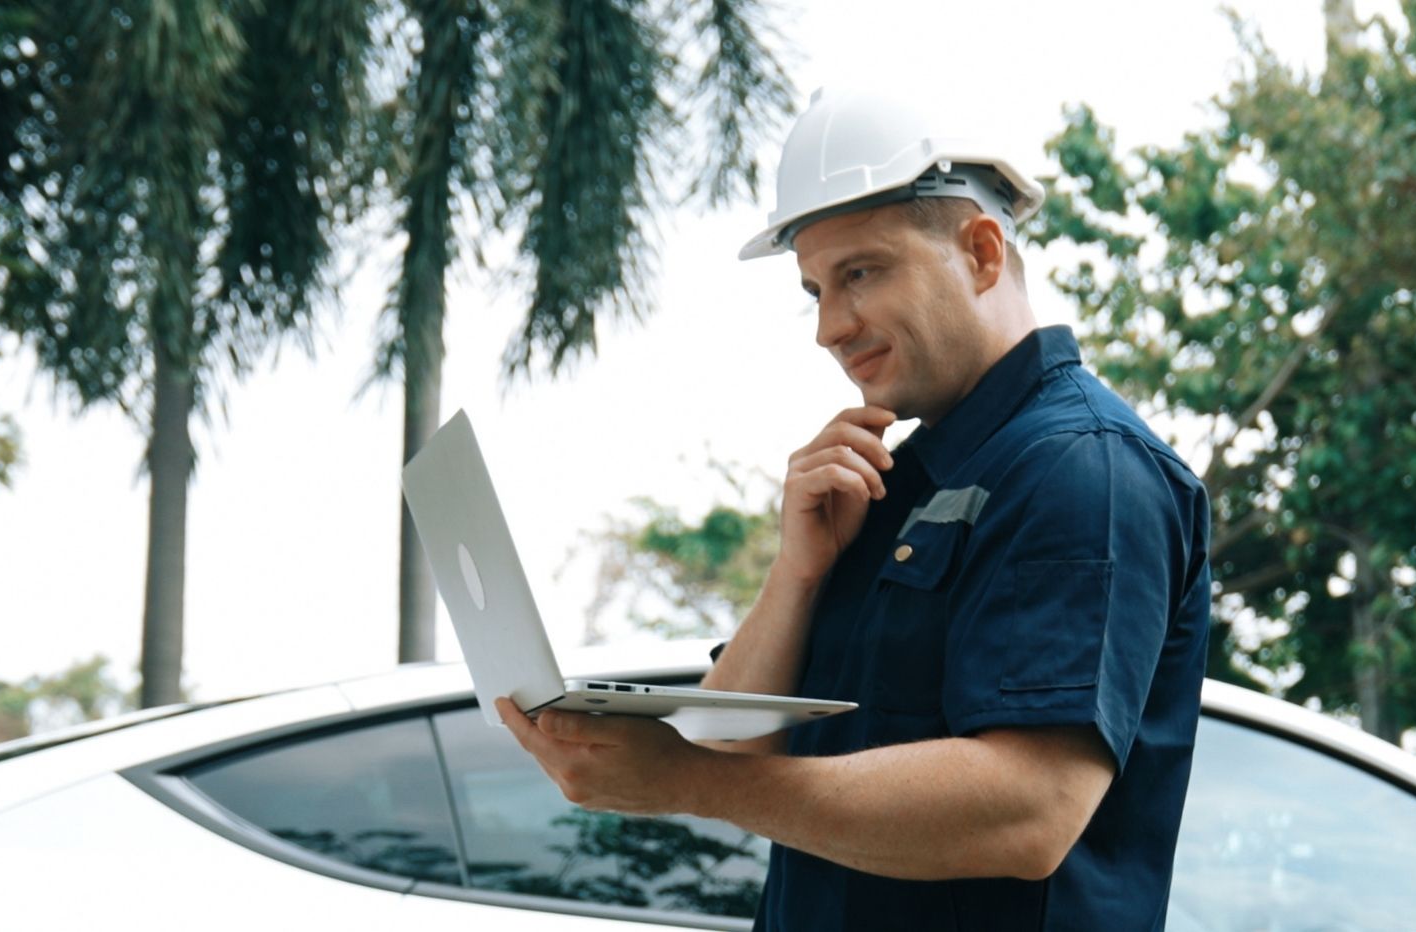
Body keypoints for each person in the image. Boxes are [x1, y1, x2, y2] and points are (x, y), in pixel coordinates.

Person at [496, 87, 1212, 931]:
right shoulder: (895, 483)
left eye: (861, 273)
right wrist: (797, 574)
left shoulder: (1082, 469)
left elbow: (1031, 809)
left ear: (982, 253)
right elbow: (726, 743)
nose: (829, 327)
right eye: (815, 290)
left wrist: (688, 781)